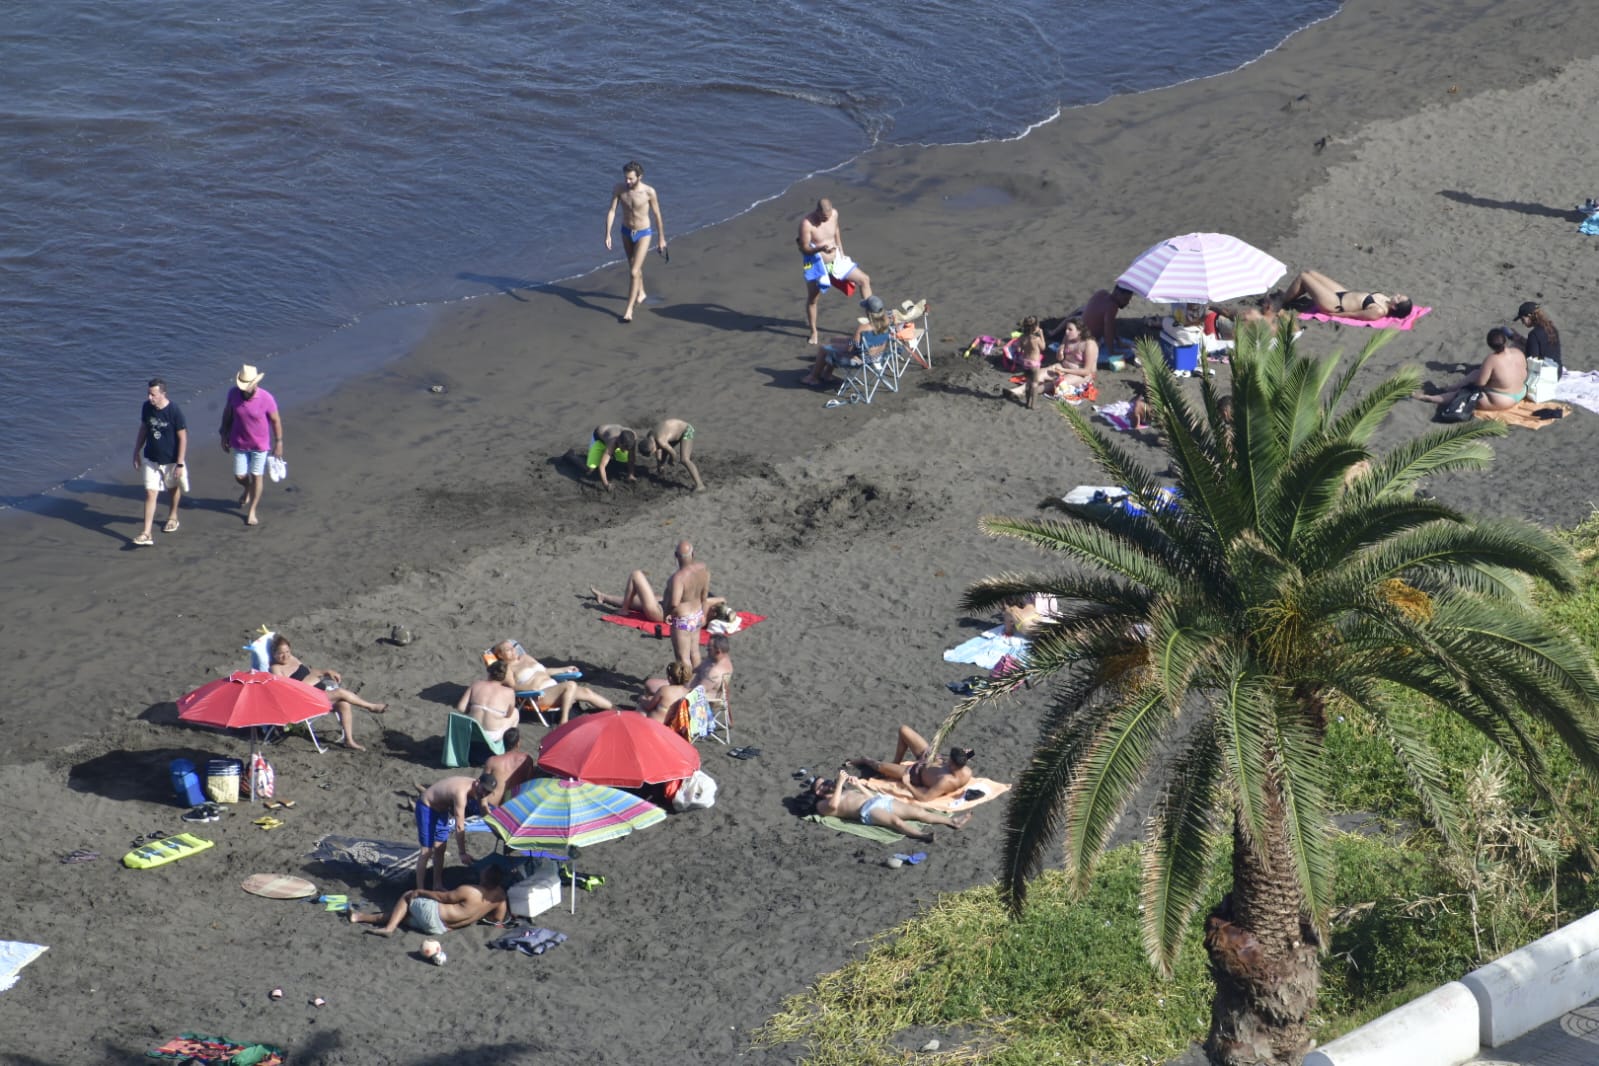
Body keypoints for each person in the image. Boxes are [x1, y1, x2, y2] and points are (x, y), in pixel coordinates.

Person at [590, 540, 716, 667]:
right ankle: (604, 597)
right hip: (695, 614)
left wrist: (668, 614)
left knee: (683, 658)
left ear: (676, 556)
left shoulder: (678, 578)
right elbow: (704, 595)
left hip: (673, 616)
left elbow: (674, 603)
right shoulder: (703, 569)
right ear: (693, 554)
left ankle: (623, 610)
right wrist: (702, 613)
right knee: (694, 652)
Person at [269, 634, 388, 751]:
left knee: (344, 704)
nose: (285, 656)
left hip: (318, 693)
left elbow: (308, 671)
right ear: (274, 654)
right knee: (340, 692)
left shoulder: (292, 659)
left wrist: (325, 672)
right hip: (305, 701)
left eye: (287, 651)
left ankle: (349, 741)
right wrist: (309, 682)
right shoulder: (275, 668)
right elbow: (287, 691)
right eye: (281, 653)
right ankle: (371, 706)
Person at [811, 770, 970, 842]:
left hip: (879, 801)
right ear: (817, 792)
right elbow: (833, 807)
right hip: (867, 811)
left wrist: (858, 785)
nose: (827, 784)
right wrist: (839, 783)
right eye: (822, 785)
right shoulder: (821, 804)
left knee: (918, 812)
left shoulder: (845, 791)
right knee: (896, 822)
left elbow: (870, 796)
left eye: (826, 782)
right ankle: (922, 836)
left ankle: (952, 822)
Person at [797, 198, 874, 345]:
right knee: (813, 299)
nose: (825, 219)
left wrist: (841, 249)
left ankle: (872, 321)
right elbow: (804, 248)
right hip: (816, 264)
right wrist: (820, 248)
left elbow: (836, 229)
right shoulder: (806, 224)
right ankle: (814, 332)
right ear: (817, 211)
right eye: (822, 217)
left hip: (836, 260)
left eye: (828, 216)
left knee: (864, 280)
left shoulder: (834, 214)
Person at [351, 865, 507, 937]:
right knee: (401, 916)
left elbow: (443, 898)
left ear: (485, 877)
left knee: (407, 896)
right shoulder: (500, 897)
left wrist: (420, 892)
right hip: (439, 929)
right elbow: (497, 919)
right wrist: (477, 913)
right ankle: (359, 917)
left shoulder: (470, 890)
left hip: (434, 915)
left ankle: (389, 929)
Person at [218, 364, 283, 527]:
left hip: (259, 445)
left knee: (256, 475)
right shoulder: (233, 394)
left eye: (247, 385)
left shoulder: (266, 398)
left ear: (255, 383)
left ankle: (252, 510)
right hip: (239, 442)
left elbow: (275, 420)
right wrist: (224, 433)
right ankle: (247, 489)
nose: (244, 389)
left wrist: (279, 442)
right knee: (240, 476)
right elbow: (228, 413)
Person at [489, 640, 614, 725]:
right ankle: (564, 720)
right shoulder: (507, 668)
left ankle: (614, 711)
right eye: (508, 649)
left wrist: (564, 669)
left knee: (586, 692)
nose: (513, 650)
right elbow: (512, 687)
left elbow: (544, 671)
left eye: (513, 647)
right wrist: (529, 688)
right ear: (500, 655)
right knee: (570, 685)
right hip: (539, 695)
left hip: (555, 688)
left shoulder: (526, 657)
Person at [604, 161, 667, 324]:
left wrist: (661, 238)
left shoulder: (649, 192)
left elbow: (657, 215)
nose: (627, 181)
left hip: (643, 233)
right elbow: (612, 211)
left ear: (640, 177)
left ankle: (629, 310)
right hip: (626, 231)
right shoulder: (619, 189)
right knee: (633, 265)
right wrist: (608, 233)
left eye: (631, 179)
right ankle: (641, 292)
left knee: (633, 271)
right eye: (626, 178)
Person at [848, 725, 976, 803]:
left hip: (915, 773)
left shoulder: (946, 781)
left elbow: (924, 798)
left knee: (880, 766)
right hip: (931, 757)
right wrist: (964, 754)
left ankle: (864, 760)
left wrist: (908, 784)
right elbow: (956, 760)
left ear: (953, 765)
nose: (947, 762)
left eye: (949, 761)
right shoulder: (966, 771)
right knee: (904, 730)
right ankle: (896, 763)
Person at [413, 773, 495, 891]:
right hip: (427, 805)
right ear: (477, 782)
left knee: (440, 847)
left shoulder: (482, 792)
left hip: (442, 810)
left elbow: (484, 811)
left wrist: (497, 829)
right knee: (426, 851)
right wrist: (462, 853)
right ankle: (419, 890)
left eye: (488, 792)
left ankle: (437, 885)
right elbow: (459, 826)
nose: (484, 794)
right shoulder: (461, 793)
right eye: (484, 790)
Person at [1414, 328, 1528, 412]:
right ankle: (1449, 388)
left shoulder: (1492, 359)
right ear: (1505, 341)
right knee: (1476, 373)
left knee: (1462, 394)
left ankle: (1430, 398)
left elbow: (1480, 383)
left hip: (1503, 400)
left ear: (1490, 345)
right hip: (1521, 392)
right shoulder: (1517, 352)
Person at [131, 378, 188, 546]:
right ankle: (146, 533)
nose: (149, 397)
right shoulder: (146, 407)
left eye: (153, 395)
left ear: (163, 394)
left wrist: (180, 463)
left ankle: (173, 516)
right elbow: (143, 429)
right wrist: (136, 451)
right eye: (148, 394)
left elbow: (183, 437)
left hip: (171, 459)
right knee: (150, 492)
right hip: (151, 458)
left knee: (172, 488)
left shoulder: (174, 410)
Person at [801, 296, 895, 388]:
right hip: (876, 357)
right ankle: (827, 374)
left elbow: (851, 347)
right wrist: (845, 341)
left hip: (859, 360)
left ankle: (813, 377)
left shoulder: (864, 328)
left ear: (868, 312)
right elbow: (870, 342)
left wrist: (844, 344)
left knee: (824, 348)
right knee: (836, 341)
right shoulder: (886, 323)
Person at [1279, 270, 1413, 322]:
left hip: (1335, 304)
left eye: (1399, 298)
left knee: (1303, 277)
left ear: (1395, 307)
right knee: (1310, 273)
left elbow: (1354, 315)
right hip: (1343, 293)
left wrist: (1333, 315)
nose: (1397, 294)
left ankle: (1282, 301)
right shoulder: (1386, 299)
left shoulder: (1378, 311)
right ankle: (1291, 296)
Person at [456, 660, 518, 743]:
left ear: (489, 673)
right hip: (492, 736)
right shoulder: (509, 692)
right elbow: (508, 715)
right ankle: (507, 744)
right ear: (504, 676)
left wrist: (473, 709)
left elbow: (460, 707)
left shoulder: (476, 684)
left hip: (472, 731)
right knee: (515, 713)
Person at [639, 418, 704, 492]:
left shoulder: (661, 441)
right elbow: (658, 450)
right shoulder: (650, 437)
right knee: (663, 454)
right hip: (673, 433)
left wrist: (671, 460)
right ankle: (661, 471)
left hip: (687, 430)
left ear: (653, 448)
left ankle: (700, 485)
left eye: (651, 453)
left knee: (685, 459)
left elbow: (673, 453)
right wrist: (660, 464)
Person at [1001, 315, 1050, 408]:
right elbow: (1043, 347)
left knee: (1028, 382)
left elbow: (1019, 349)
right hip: (1034, 364)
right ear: (1035, 327)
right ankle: (1033, 404)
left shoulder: (1022, 338)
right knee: (1035, 383)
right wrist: (1041, 335)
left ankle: (1027, 403)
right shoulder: (1036, 339)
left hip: (1025, 362)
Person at [483, 728, 536, 807]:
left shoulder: (492, 761)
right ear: (518, 743)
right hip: (513, 805)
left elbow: (483, 785)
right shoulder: (526, 759)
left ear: (503, 743)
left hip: (491, 805)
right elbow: (529, 784)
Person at [1078, 285, 1136, 356]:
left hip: (1080, 331)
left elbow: (1110, 324)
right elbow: (1108, 330)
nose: (1127, 303)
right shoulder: (1112, 306)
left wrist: (1118, 341)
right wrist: (1111, 351)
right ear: (1116, 294)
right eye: (1125, 299)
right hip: (1089, 342)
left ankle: (1117, 343)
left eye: (1128, 300)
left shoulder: (1101, 292)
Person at [1510, 301, 1562, 377]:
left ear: (1529, 316)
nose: (1522, 323)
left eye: (1522, 319)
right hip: (1557, 372)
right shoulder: (1552, 328)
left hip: (1545, 376)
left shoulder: (1534, 334)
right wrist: (1521, 339)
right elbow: (1544, 347)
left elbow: (1532, 361)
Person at [587, 424, 638, 490]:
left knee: (624, 459)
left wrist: (631, 474)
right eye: (624, 448)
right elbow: (602, 466)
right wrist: (606, 485)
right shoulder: (612, 443)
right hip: (598, 437)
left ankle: (611, 455)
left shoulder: (633, 437)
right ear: (619, 442)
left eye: (627, 449)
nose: (625, 451)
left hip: (614, 434)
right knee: (590, 470)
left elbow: (631, 457)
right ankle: (574, 457)